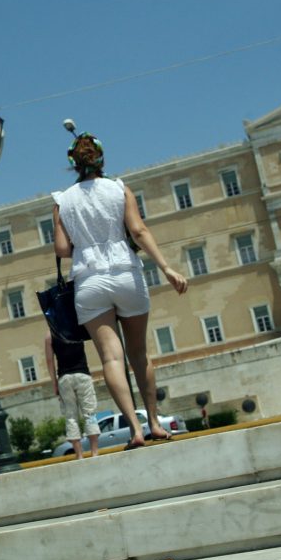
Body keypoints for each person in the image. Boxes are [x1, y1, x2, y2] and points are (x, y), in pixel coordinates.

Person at [53, 133, 188, 450]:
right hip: (126, 273)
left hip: (89, 281)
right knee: (139, 353)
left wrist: (86, 246)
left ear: (73, 164)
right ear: (101, 159)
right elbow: (138, 230)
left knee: (111, 359)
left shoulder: (62, 201)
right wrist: (166, 267)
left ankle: (134, 430)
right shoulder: (118, 188)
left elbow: (61, 248)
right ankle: (154, 422)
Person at [44, 331, 100, 459]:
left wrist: (54, 383)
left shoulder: (49, 335)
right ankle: (94, 452)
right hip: (83, 374)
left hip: (64, 378)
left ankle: (79, 454)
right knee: (89, 414)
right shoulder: (75, 326)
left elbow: (49, 361)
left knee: (71, 416)